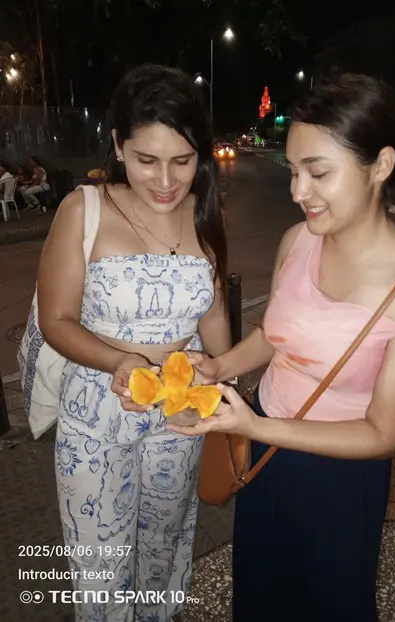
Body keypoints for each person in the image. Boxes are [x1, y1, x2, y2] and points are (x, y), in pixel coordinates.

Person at [167, 74, 395, 621]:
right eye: (294, 171)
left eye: (318, 173)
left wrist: (256, 427)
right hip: (265, 452)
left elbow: (383, 434)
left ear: (381, 165)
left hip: (339, 477)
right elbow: (273, 336)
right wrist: (218, 367)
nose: (298, 192)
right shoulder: (297, 241)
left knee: (332, 602)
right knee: (259, 593)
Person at [36, 64, 230, 621]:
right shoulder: (84, 208)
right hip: (97, 410)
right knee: (102, 564)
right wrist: (119, 360)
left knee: (163, 547)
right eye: (147, 159)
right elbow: (56, 319)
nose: (166, 180)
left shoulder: (204, 211)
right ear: (119, 145)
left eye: (183, 160)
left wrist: (227, 382)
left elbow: (214, 312)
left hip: (180, 415)